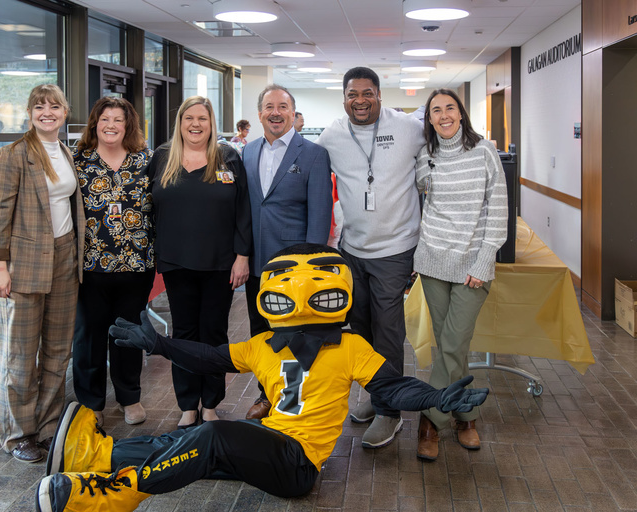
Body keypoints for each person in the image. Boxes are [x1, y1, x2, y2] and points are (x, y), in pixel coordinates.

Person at [35, 244, 490, 511]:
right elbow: (211, 357)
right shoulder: (262, 346)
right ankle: (96, 453)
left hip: (297, 466)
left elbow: (390, 386)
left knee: (211, 435)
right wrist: (159, 344)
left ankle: (113, 497)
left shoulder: (348, 347)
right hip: (267, 438)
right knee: (191, 447)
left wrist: (433, 397)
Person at [316, 66, 426, 449]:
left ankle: (390, 411)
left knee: (388, 330)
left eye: (367, 93)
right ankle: (376, 394)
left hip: (395, 249)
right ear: (343, 97)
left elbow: (445, 142)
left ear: (379, 94)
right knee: (360, 330)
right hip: (352, 250)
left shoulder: (409, 128)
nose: (359, 101)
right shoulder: (331, 135)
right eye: (352, 95)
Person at [0, 84, 85, 463]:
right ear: (30, 113)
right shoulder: (12, 155)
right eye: (40, 107)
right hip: (23, 264)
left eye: (54, 106)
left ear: (64, 112)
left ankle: (47, 428)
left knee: (58, 353)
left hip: (64, 261)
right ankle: (18, 435)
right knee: (20, 354)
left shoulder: (65, 152)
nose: (48, 112)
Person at [414, 89, 508, 461]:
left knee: (452, 344)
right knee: (451, 346)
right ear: (430, 119)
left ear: (461, 113)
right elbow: (424, 196)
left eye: (449, 107)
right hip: (433, 261)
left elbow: (498, 207)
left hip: (472, 264)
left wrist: (484, 260)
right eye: (436, 110)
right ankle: (465, 415)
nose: (443, 115)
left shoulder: (484, 151)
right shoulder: (425, 156)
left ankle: (430, 420)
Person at [147, 96, 252, 428]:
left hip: (220, 263)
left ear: (212, 123)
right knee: (184, 333)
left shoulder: (228, 157)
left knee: (215, 333)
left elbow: (243, 210)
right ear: (179, 123)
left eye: (202, 118)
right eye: (189, 118)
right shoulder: (163, 158)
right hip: (177, 262)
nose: (195, 124)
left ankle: (211, 403)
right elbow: (146, 207)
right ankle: (188, 404)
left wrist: (242, 256)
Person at [241, 84, 333, 420]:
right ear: (260, 113)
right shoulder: (248, 152)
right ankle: (267, 394)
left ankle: (295, 399)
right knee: (262, 333)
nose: (275, 112)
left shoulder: (313, 154)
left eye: (282, 106)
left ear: (293, 113)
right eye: (269, 106)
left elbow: (320, 216)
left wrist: (310, 269)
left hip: (295, 267)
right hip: (257, 265)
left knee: (296, 336)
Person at [72, 97, 154, 427]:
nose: (111, 125)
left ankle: (129, 398)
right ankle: (91, 403)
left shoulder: (146, 161)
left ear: (128, 126)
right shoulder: (78, 162)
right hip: (91, 266)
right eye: (105, 118)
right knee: (89, 336)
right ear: (95, 123)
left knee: (128, 335)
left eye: (118, 120)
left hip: (137, 265)